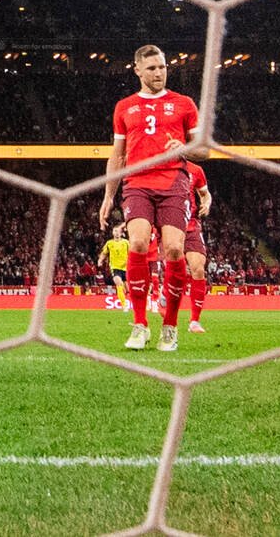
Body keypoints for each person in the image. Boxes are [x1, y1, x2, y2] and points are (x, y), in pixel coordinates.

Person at [98, 45, 204, 352]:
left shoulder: (183, 104)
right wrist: (108, 196)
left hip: (174, 181)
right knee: (139, 244)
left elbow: (203, 150)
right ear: (138, 70)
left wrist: (182, 148)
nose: (159, 73)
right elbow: (117, 155)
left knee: (173, 249)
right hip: (137, 182)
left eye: (162, 67)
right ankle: (140, 324)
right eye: (152, 68)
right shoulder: (124, 107)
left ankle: (169, 327)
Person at [182, 161, 213, 333]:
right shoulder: (161, 166)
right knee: (176, 271)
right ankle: (163, 298)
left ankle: (194, 321)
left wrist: (206, 204)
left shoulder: (195, 170)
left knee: (198, 270)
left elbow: (205, 194)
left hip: (192, 225)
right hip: (169, 225)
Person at [97, 223, 131, 310]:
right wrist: (100, 260)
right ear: (112, 232)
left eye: (118, 231)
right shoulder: (109, 243)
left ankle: (138, 304)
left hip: (126, 268)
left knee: (128, 289)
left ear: (121, 233)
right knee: (118, 283)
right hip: (115, 268)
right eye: (114, 231)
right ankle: (124, 306)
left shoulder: (126, 242)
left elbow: (131, 253)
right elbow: (104, 253)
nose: (116, 233)